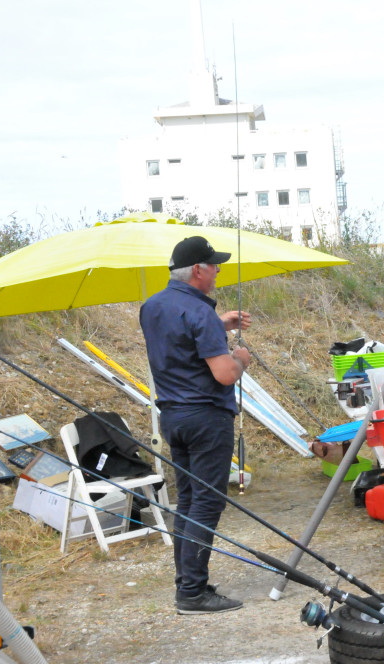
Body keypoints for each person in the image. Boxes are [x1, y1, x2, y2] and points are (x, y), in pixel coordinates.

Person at [140, 235, 253, 615]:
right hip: (206, 417)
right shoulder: (199, 312)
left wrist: (218, 323)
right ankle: (192, 592)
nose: (219, 270)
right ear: (199, 271)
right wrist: (240, 359)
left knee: (187, 501)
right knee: (206, 503)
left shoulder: (152, 307)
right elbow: (224, 374)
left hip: (173, 417)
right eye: (214, 265)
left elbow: (178, 336)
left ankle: (187, 581)